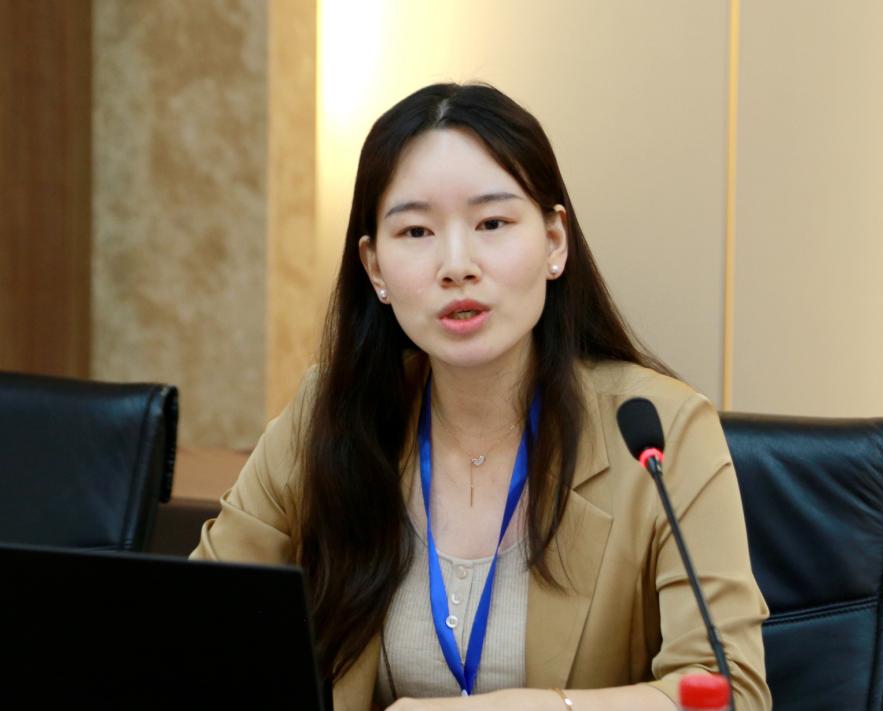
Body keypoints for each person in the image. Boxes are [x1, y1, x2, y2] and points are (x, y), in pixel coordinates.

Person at [191, 82, 771, 711]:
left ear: (554, 242)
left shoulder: (660, 432)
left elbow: (731, 693)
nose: (456, 264)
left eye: (492, 223)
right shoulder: (329, 416)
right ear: (375, 267)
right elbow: (191, 635)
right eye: (416, 231)